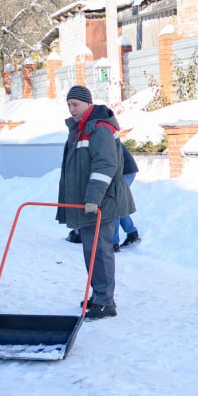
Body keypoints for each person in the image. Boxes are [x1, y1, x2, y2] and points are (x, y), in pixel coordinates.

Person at [57, 85, 135, 320]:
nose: (71, 109)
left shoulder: (99, 128)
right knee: (91, 251)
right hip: (87, 203)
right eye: (69, 105)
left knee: (100, 252)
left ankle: (105, 301)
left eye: (75, 105)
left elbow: (105, 165)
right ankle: (99, 294)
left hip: (101, 202)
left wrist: (93, 198)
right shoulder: (80, 129)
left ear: (88, 104)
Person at [112, 139, 141, 253]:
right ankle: (132, 233)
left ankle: (113, 243)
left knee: (113, 205)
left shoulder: (102, 133)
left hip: (125, 171)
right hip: (124, 170)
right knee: (117, 204)